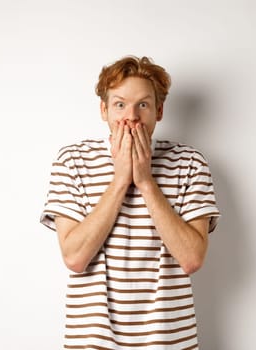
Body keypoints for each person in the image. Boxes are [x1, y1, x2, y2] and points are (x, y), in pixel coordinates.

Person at [39, 56, 220, 349]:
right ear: (104, 110)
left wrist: (146, 181)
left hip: (169, 341)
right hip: (92, 342)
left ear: (159, 111)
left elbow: (192, 258)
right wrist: (121, 179)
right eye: (120, 104)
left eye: (143, 105)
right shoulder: (72, 161)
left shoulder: (190, 163)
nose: (131, 117)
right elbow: (74, 257)